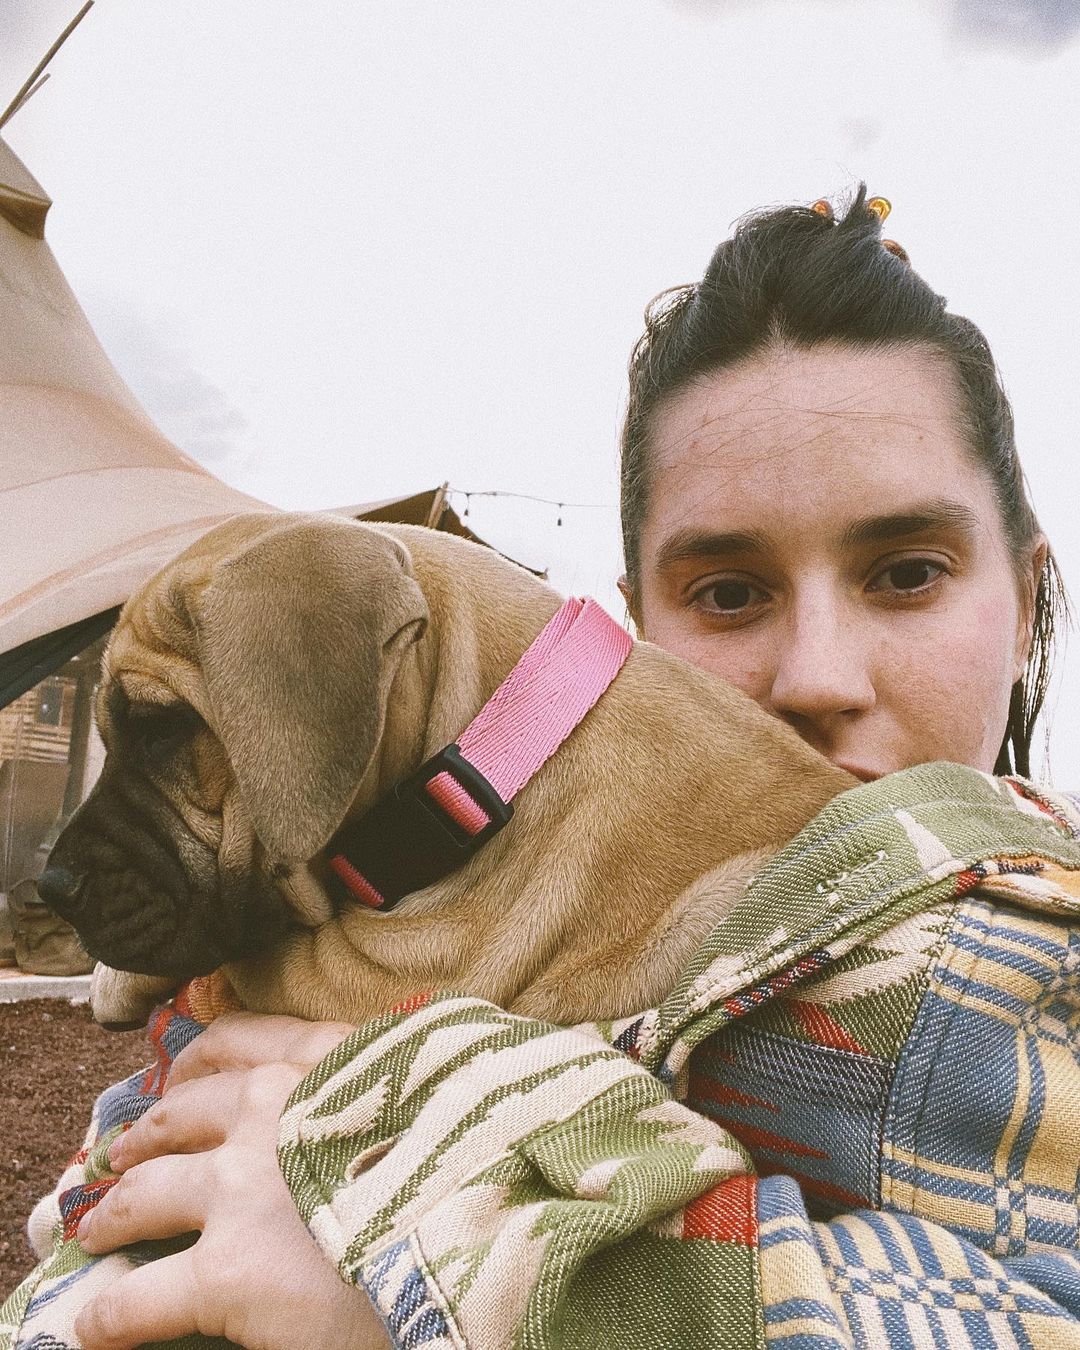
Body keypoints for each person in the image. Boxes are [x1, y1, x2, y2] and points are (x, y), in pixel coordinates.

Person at [5, 189, 1079, 1350]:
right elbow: (85, 1254)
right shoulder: (469, 926)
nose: (820, 674)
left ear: (1023, 605)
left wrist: (431, 1257)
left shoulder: (1016, 979)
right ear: (628, 636)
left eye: (907, 571)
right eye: (728, 592)